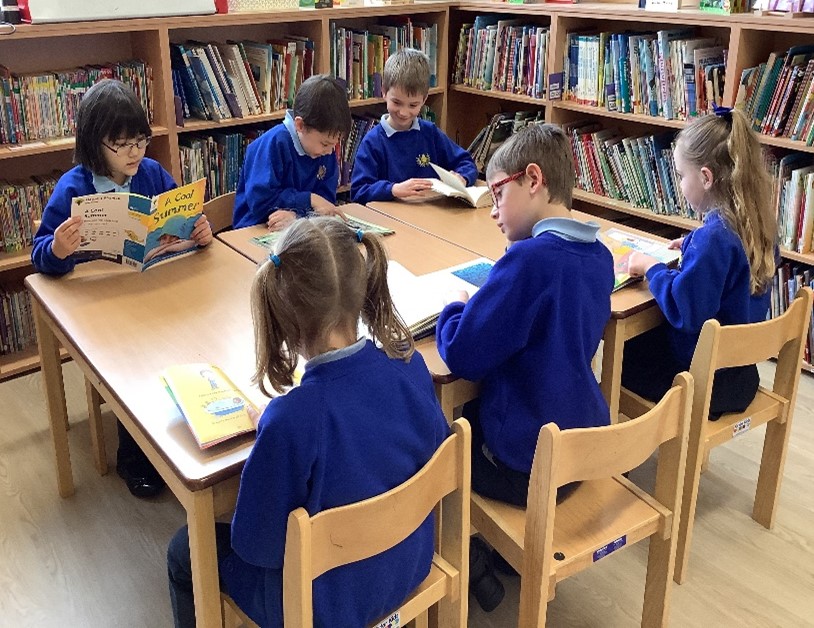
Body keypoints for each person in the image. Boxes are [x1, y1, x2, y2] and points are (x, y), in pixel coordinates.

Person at [167, 217, 450, 628]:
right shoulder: (410, 366)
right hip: (408, 565)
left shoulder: (292, 420)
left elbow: (255, 546)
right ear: (362, 289)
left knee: (184, 550)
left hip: (322, 608)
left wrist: (271, 429)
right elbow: (433, 456)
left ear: (283, 319)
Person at [435, 124, 614, 611]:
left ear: (532, 179)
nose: (492, 211)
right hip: (580, 451)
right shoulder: (599, 257)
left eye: (497, 194)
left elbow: (464, 354)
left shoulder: (529, 261)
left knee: (435, 429)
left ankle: (466, 556)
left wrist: (455, 307)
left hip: (526, 466)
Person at [31, 79, 214, 498]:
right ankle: (135, 455)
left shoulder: (150, 174)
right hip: (100, 308)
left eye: (141, 141)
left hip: (152, 291)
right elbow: (40, 256)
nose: (134, 153)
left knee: (186, 338)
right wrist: (59, 247)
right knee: (133, 368)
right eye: (122, 144)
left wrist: (199, 231)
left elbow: (181, 217)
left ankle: (185, 427)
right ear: (95, 144)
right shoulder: (74, 188)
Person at [623, 107, 777, 419]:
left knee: (628, 352)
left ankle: (627, 447)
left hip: (704, 382)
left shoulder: (714, 239)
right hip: (741, 374)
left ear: (705, 177)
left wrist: (652, 268)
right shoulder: (757, 225)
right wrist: (692, 244)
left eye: (681, 176)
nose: (679, 185)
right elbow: (726, 262)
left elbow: (685, 310)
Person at [350, 48, 478, 204]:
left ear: (424, 100)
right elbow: (359, 191)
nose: (404, 112)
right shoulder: (373, 141)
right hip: (392, 218)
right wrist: (393, 189)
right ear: (383, 91)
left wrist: (462, 178)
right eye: (397, 102)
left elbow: (466, 162)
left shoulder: (429, 132)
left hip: (430, 214)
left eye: (413, 105)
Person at [232, 74, 352, 230]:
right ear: (300, 125)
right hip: (257, 227)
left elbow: (325, 203)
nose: (329, 152)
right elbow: (260, 202)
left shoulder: (324, 152)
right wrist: (309, 200)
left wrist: (297, 217)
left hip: (300, 227)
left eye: (334, 145)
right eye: (325, 144)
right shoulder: (274, 144)